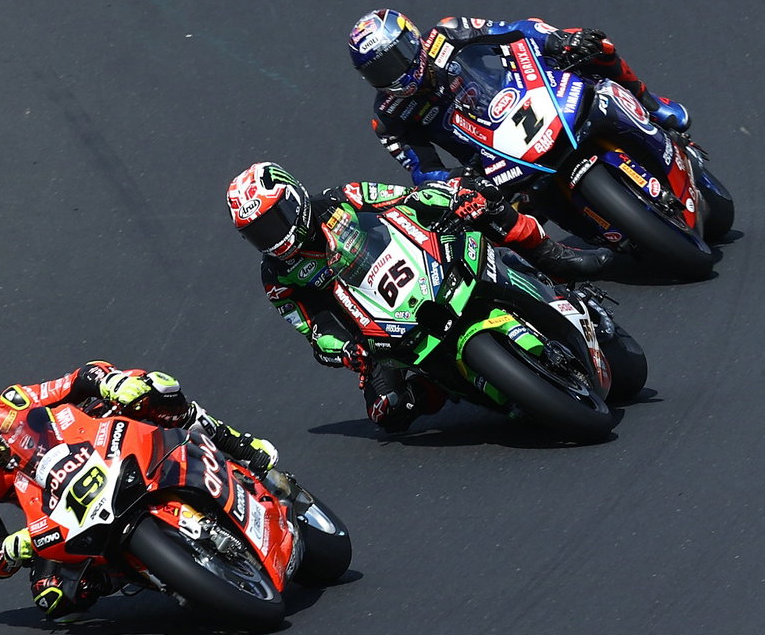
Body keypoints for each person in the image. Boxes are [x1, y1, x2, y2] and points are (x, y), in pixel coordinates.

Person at [225, 161, 607, 432]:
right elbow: (312, 328)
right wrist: (345, 350)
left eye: (272, 223)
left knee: (482, 205)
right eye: (257, 233)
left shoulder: (342, 198)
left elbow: (405, 198)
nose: (271, 238)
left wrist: (451, 200)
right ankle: (452, 384)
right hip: (376, 328)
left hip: (423, 269)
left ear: (293, 200)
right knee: (389, 413)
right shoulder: (276, 277)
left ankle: (555, 261)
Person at [0, 363, 279, 621]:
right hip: (55, 511)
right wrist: (9, 550)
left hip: (94, 447)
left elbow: (78, 379)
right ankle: (132, 573)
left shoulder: (12, 404)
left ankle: (235, 443)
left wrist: (109, 382)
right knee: (53, 597)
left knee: (151, 389)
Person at [348, 9, 690, 186]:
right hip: (494, 168)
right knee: (482, 224)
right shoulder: (389, 117)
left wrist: (557, 42)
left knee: (590, 44)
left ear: (411, 38)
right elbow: (424, 171)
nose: (392, 74)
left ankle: (651, 104)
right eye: (379, 72)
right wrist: (456, 181)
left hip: (534, 98)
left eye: (394, 59)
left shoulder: (448, 32)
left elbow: (515, 29)